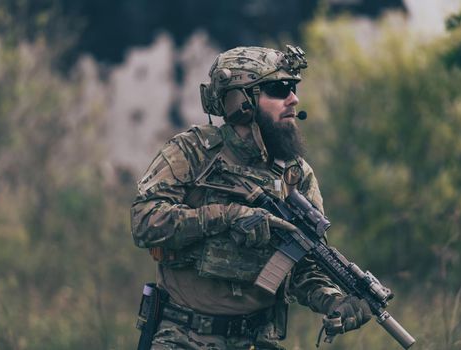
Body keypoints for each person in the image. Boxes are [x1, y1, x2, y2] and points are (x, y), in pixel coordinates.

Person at [130, 45, 371, 350]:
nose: (293, 99)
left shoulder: (295, 174)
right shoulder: (192, 152)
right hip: (184, 336)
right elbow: (144, 221)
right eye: (279, 89)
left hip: (257, 339)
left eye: (293, 88)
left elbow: (302, 264)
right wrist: (227, 217)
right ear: (240, 101)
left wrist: (334, 300)